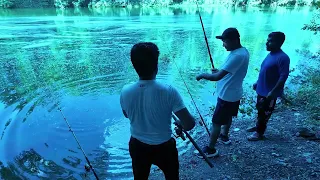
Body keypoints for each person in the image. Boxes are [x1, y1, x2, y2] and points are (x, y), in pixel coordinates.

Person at [120, 42, 196, 180]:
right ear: (156, 66)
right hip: (164, 147)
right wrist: (180, 123)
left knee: (140, 178)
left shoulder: (125, 91)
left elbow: (126, 115)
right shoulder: (168, 91)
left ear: (134, 65)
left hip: (137, 146)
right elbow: (190, 124)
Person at [195, 28, 249, 157]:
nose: (223, 44)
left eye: (225, 41)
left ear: (234, 40)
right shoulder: (242, 51)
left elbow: (216, 77)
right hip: (234, 93)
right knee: (228, 116)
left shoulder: (237, 55)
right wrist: (220, 71)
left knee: (216, 122)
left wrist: (203, 75)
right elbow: (230, 72)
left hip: (226, 96)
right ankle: (224, 136)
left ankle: (211, 149)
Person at [247, 32, 290, 141]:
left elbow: (283, 76)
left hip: (269, 92)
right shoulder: (271, 53)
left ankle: (259, 133)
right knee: (260, 109)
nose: (267, 43)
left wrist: (273, 92)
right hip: (261, 89)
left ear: (280, 43)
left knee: (265, 112)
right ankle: (258, 126)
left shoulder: (283, 57)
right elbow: (264, 70)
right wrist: (257, 83)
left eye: (270, 41)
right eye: (267, 40)